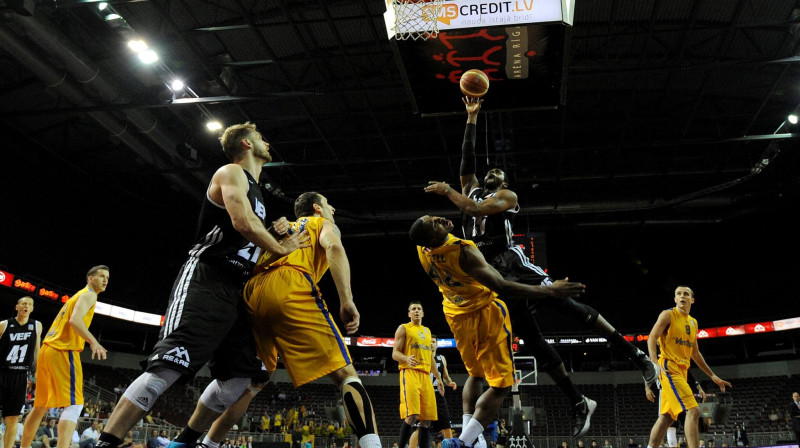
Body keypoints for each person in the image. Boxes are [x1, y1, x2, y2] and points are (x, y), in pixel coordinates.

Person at [423, 97, 658, 438]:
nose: (491, 172)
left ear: (504, 183)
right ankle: (579, 401)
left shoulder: (507, 197)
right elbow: (467, 156)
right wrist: (471, 118)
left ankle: (638, 358)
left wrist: (447, 191)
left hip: (512, 263)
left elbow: (476, 211)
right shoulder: (470, 190)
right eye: (489, 171)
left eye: (498, 173)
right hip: (492, 277)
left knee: (568, 306)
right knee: (533, 341)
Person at [95, 123, 308, 448]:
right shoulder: (231, 172)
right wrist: (281, 247)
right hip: (206, 278)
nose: (267, 142)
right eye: (260, 137)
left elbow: (249, 237)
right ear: (246, 144)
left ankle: (184, 443)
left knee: (239, 378)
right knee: (168, 367)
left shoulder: (256, 192)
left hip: (237, 291)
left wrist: (273, 233)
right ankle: (107, 442)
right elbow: (242, 223)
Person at [178, 192, 382, 448]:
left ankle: (197, 442)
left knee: (253, 381)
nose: (333, 209)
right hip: (288, 286)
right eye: (329, 204)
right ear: (317, 208)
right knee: (346, 375)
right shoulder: (321, 224)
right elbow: (334, 247)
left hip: (252, 292)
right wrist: (346, 299)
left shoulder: (279, 228)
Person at [408, 215, 586, 448]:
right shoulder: (463, 251)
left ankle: (470, 438)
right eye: (434, 223)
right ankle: (463, 442)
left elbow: (430, 235)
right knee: (502, 386)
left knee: (475, 374)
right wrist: (550, 290)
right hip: (484, 314)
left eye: (433, 217)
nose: (439, 219)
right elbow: (502, 286)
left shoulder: (423, 250)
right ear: (432, 239)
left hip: (455, 314)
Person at [20, 266, 109, 448]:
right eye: (101, 276)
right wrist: (93, 342)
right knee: (75, 404)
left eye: (107, 277)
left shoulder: (77, 296)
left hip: (47, 349)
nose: (105, 280)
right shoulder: (89, 295)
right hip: (63, 350)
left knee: (40, 407)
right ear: (90, 278)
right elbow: (75, 320)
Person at [643, 286, 732, 448]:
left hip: (682, 372)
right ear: (675, 299)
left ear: (692, 300)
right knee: (694, 410)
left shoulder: (693, 322)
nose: (682, 296)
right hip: (669, 367)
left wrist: (712, 375)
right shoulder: (667, 315)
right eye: (678, 294)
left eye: (686, 294)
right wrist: (654, 363)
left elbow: (695, 353)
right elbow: (652, 338)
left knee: (667, 417)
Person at [393, 301, 445, 448]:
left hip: (425, 376)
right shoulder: (403, 328)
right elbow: (395, 353)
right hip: (410, 373)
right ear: (409, 314)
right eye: (413, 309)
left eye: (419, 309)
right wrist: (406, 358)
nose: (416, 311)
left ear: (423, 313)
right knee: (412, 415)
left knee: (427, 419)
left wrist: (439, 378)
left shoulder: (427, 332)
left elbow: (430, 358)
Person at [1, 296, 42, 448]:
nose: (26, 306)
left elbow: (37, 350)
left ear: (32, 309)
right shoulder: (4, 325)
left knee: (12, 418)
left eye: (30, 304)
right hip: (2, 372)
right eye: (24, 303)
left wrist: (38, 370)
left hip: (21, 376)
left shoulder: (36, 325)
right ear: (17, 307)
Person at [409, 335, 458, 448]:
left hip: (438, 395)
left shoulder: (441, 358)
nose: (431, 344)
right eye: (429, 342)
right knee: (420, 427)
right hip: (425, 394)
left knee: (446, 426)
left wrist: (450, 382)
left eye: (433, 342)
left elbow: (445, 377)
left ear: (436, 344)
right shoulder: (421, 357)